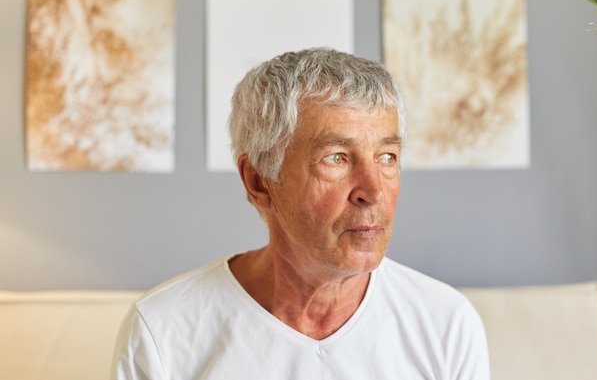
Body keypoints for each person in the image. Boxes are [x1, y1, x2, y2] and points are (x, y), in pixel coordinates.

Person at [110, 48, 490, 380]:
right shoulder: (163, 330)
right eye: (336, 158)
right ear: (259, 182)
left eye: (387, 157)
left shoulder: (445, 323)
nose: (374, 191)